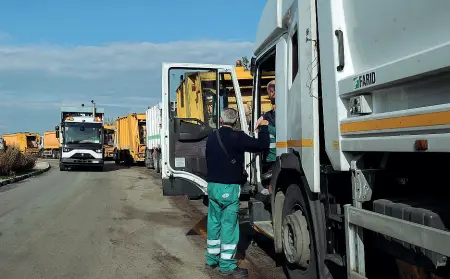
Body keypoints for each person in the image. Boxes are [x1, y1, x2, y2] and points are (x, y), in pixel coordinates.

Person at [205, 107, 269, 278]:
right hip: (229, 188)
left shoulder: (212, 137)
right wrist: (263, 127)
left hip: (212, 186)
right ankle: (226, 266)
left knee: (213, 222)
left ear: (220, 120)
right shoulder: (238, 137)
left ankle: (211, 259)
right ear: (236, 122)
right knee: (229, 226)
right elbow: (262, 146)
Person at [255, 80, 276, 198]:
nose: (271, 91)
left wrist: (267, 126)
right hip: (268, 158)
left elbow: (282, 133)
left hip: (278, 156)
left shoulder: (286, 112)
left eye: (273, 89)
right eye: (269, 89)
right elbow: (256, 127)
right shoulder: (268, 114)